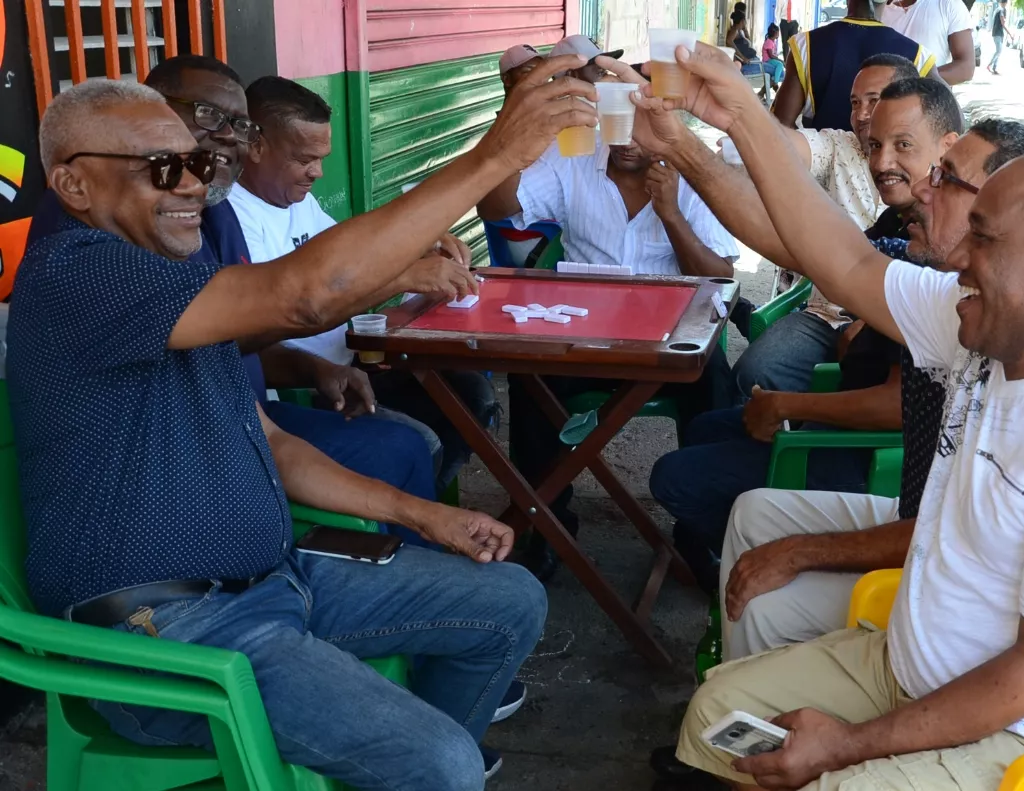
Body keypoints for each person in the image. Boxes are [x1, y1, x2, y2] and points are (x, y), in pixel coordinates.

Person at [12, 59, 597, 789]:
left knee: (510, 599)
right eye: (165, 167)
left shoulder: (172, 280)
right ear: (75, 184)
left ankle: (397, 760)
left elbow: (274, 441)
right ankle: (420, 761)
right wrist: (495, 157)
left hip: (272, 581)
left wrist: (424, 514)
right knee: (440, 761)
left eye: (197, 162)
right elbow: (306, 297)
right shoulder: (79, 272)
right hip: (168, 631)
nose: (195, 181)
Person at [635, 43, 1024, 791]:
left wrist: (849, 745)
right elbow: (841, 257)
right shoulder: (983, 323)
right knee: (715, 716)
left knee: (823, 781)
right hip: (912, 672)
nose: (960, 257)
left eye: (986, 239)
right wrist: (737, 113)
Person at [23, 55, 450, 537]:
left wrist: (311, 369)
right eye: (207, 115)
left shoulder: (211, 211)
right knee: (402, 446)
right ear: (155, 116)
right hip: (169, 464)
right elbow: (300, 299)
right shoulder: (80, 250)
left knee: (415, 439)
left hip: (242, 419)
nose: (228, 136)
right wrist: (493, 157)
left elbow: (235, 336)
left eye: (241, 124)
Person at [647, 76, 963, 593]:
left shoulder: (947, 264)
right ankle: (733, 556)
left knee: (674, 476)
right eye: (876, 143)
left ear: (948, 151)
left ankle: (754, 570)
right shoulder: (901, 223)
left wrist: (792, 405)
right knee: (706, 427)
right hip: (851, 431)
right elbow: (792, 241)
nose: (882, 161)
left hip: (875, 463)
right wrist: (684, 145)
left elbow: (900, 406)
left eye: (904, 146)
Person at [478, 128, 738, 578]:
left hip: (668, 345)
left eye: (643, 127)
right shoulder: (572, 158)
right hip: (584, 337)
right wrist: (511, 140)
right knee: (529, 377)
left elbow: (720, 278)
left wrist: (671, 214)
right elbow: (497, 208)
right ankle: (550, 523)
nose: (628, 139)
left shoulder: (692, 175)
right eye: (617, 122)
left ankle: (700, 532)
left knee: (716, 384)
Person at [229, 76, 498, 492]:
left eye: (321, 159)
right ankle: (397, 524)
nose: (316, 173)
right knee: (418, 443)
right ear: (256, 146)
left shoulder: (295, 198)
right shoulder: (234, 218)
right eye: (304, 159)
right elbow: (278, 321)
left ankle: (416, 509)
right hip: (307, 385)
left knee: (471, 395)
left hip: (354, 360)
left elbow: (353, 263)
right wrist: (407, 274)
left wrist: (417, 243)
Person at [733, 54, 922, 399]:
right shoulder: (839, 146)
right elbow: (786, 146)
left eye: (874, 101)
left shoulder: (932, 180)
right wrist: (741, 120)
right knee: (755, 372)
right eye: (855, 103)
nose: (863, 114)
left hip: (897, 324)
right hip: (828, 315)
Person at [773, 0, 935, 130]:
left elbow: (781, 125)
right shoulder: (917, 55)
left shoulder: (806, 45)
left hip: (824, 167)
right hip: (884, 168)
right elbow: (950, 122)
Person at [496, 44, 552, 267]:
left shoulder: (541, 119)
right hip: (533, 237)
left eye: (543, 73)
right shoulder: (506, 131)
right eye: (529, 72)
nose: (539, 80)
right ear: (507, 80)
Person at [880, 0, 975, 84]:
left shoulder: (949, 4)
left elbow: (966, 68)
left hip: (930, 100)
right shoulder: (877, 9)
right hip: (880, 100)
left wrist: (912, 81)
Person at [988, 0, 1011, 74]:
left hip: (999, 33)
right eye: (1003, 2)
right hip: (997, 33)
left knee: (999, 51)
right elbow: (1003, 23)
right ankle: (990, 65)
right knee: (999, 50)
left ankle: (994, 68)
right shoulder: (1000, 10)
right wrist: (1010, 34)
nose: (1004, 4)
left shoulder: (1000, 10)